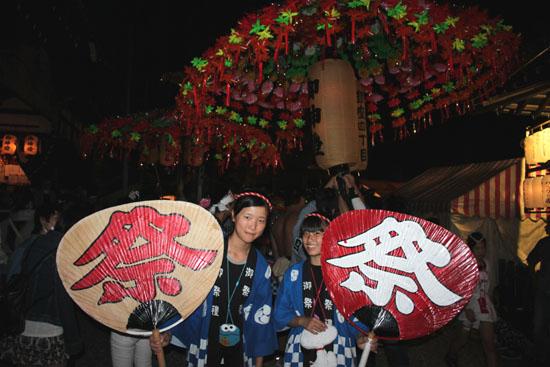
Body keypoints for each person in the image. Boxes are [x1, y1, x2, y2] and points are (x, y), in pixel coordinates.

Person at [150, 191, 278, 366]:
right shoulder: (208, 253)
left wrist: (258, 363)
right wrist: (168, 333)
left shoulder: (261, 267)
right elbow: (185, 296)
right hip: (205, 341)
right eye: (247, 217)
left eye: (261, 220)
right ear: (233, 215)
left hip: (242, 348)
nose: (253, 226)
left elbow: (261, 319)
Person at [274, 212, 377, 367]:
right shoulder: (294, 273)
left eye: (317, 233)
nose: (309, 239)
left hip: (339, 345)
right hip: (301, 345)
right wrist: (302, 320)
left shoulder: (345, 275)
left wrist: (360, 337)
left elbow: (354, 316)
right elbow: (280, 312)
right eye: (306, 233)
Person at [0, 203, 83, 367]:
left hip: (21, 326)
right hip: (49, 331)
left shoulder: (28, 246)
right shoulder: (61, 250)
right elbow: (63, 299)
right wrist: (73, 341)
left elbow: (10, 282)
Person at [290, 170, 366, 266]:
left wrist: (331, 185)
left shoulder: (303, 222)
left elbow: (317, 202)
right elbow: (358, 214)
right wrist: (349, 187)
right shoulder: (329, 234)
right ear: (334, 211)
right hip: (311, 275)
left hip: (295, 272)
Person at [445, 232, 498, 367]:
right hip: (469, 305)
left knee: (489, 344)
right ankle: (450, 356)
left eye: (483, 248)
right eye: (478, 248)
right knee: (462, 340)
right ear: (471, 249)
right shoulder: (465, 265)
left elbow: (488, 286)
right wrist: (467, 308)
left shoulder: (487, 263)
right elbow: (460, 290)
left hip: (484, 305)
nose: (481, 251)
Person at [526, 221, 550, 365]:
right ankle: (540, 359)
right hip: (544, 291)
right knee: (539, 327)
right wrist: (535, 280)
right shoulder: (544, 243)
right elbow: (531, 261)